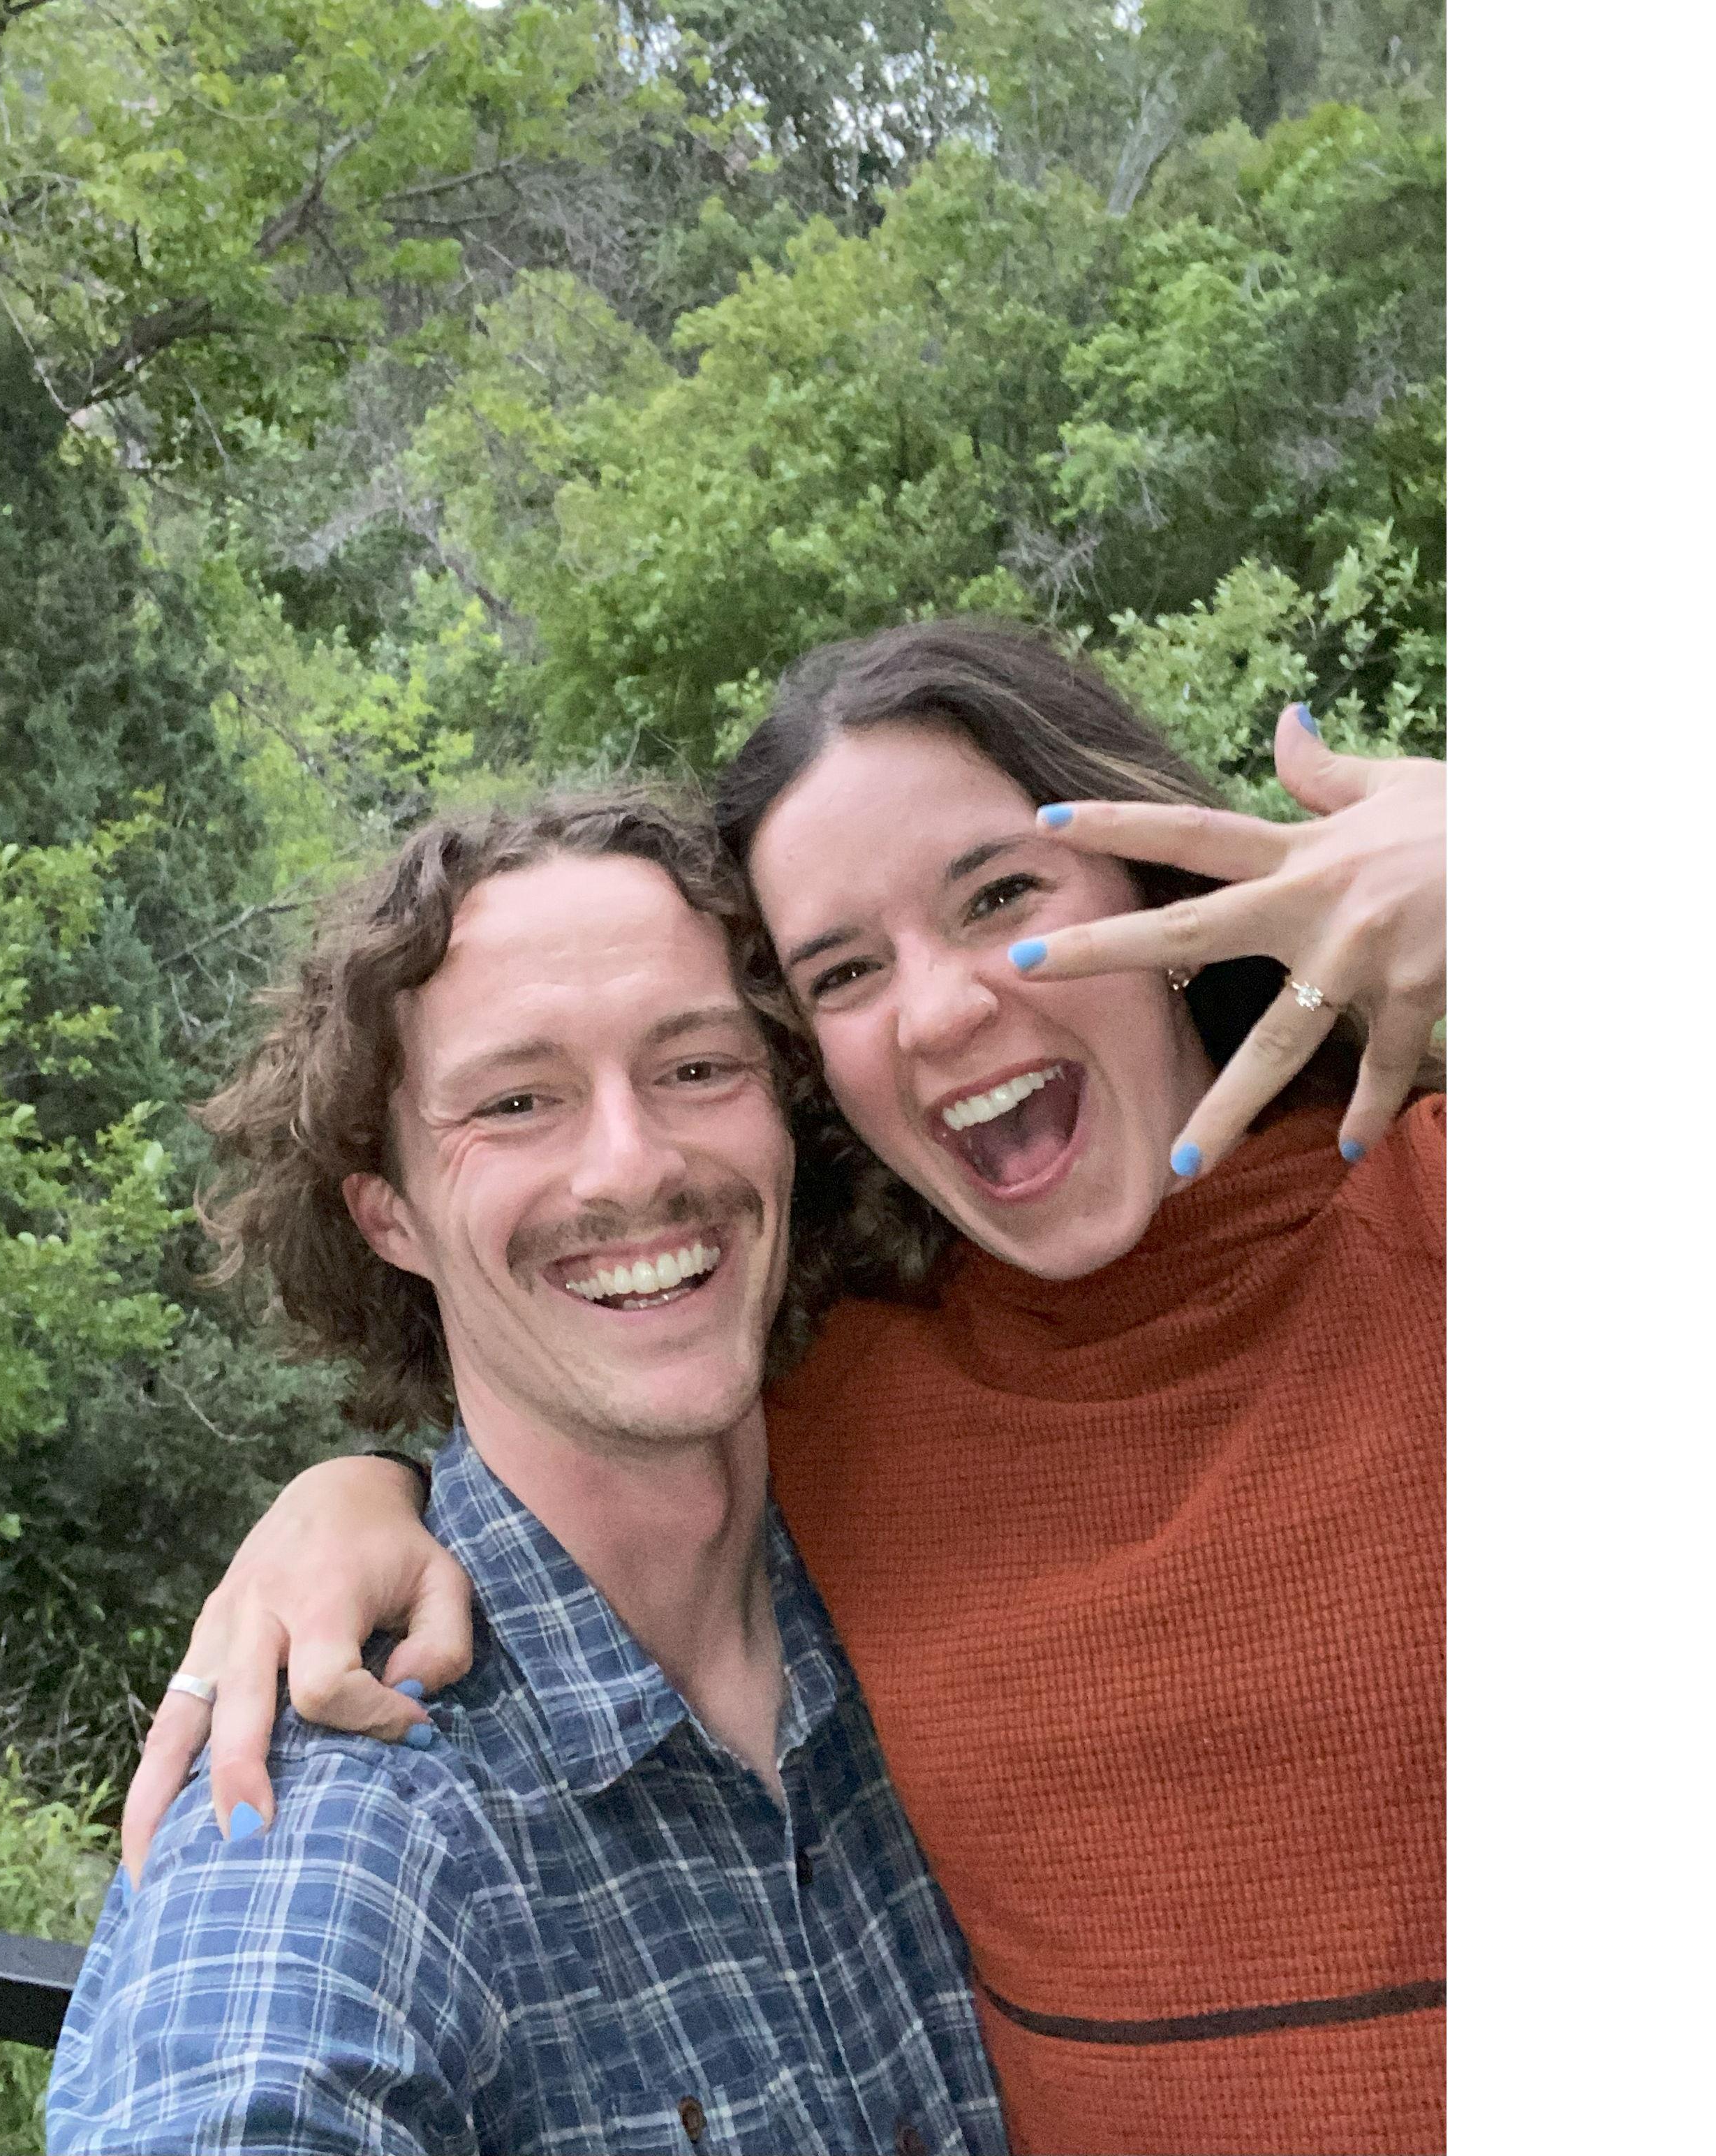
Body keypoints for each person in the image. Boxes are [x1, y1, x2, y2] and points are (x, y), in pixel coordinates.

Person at [125, 623, 1447, 2156]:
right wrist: (362, 1488)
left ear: (1161, 884)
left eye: (1001, 893)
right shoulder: (844, 1403)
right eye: (841, 970)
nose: (944, 1008)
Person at [46, 797, 1010, 2156]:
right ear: (388, 1214)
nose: (633, 1163)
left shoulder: (929, 1543)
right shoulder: (355, 1805)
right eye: (516, 1101)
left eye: (696, 1067)